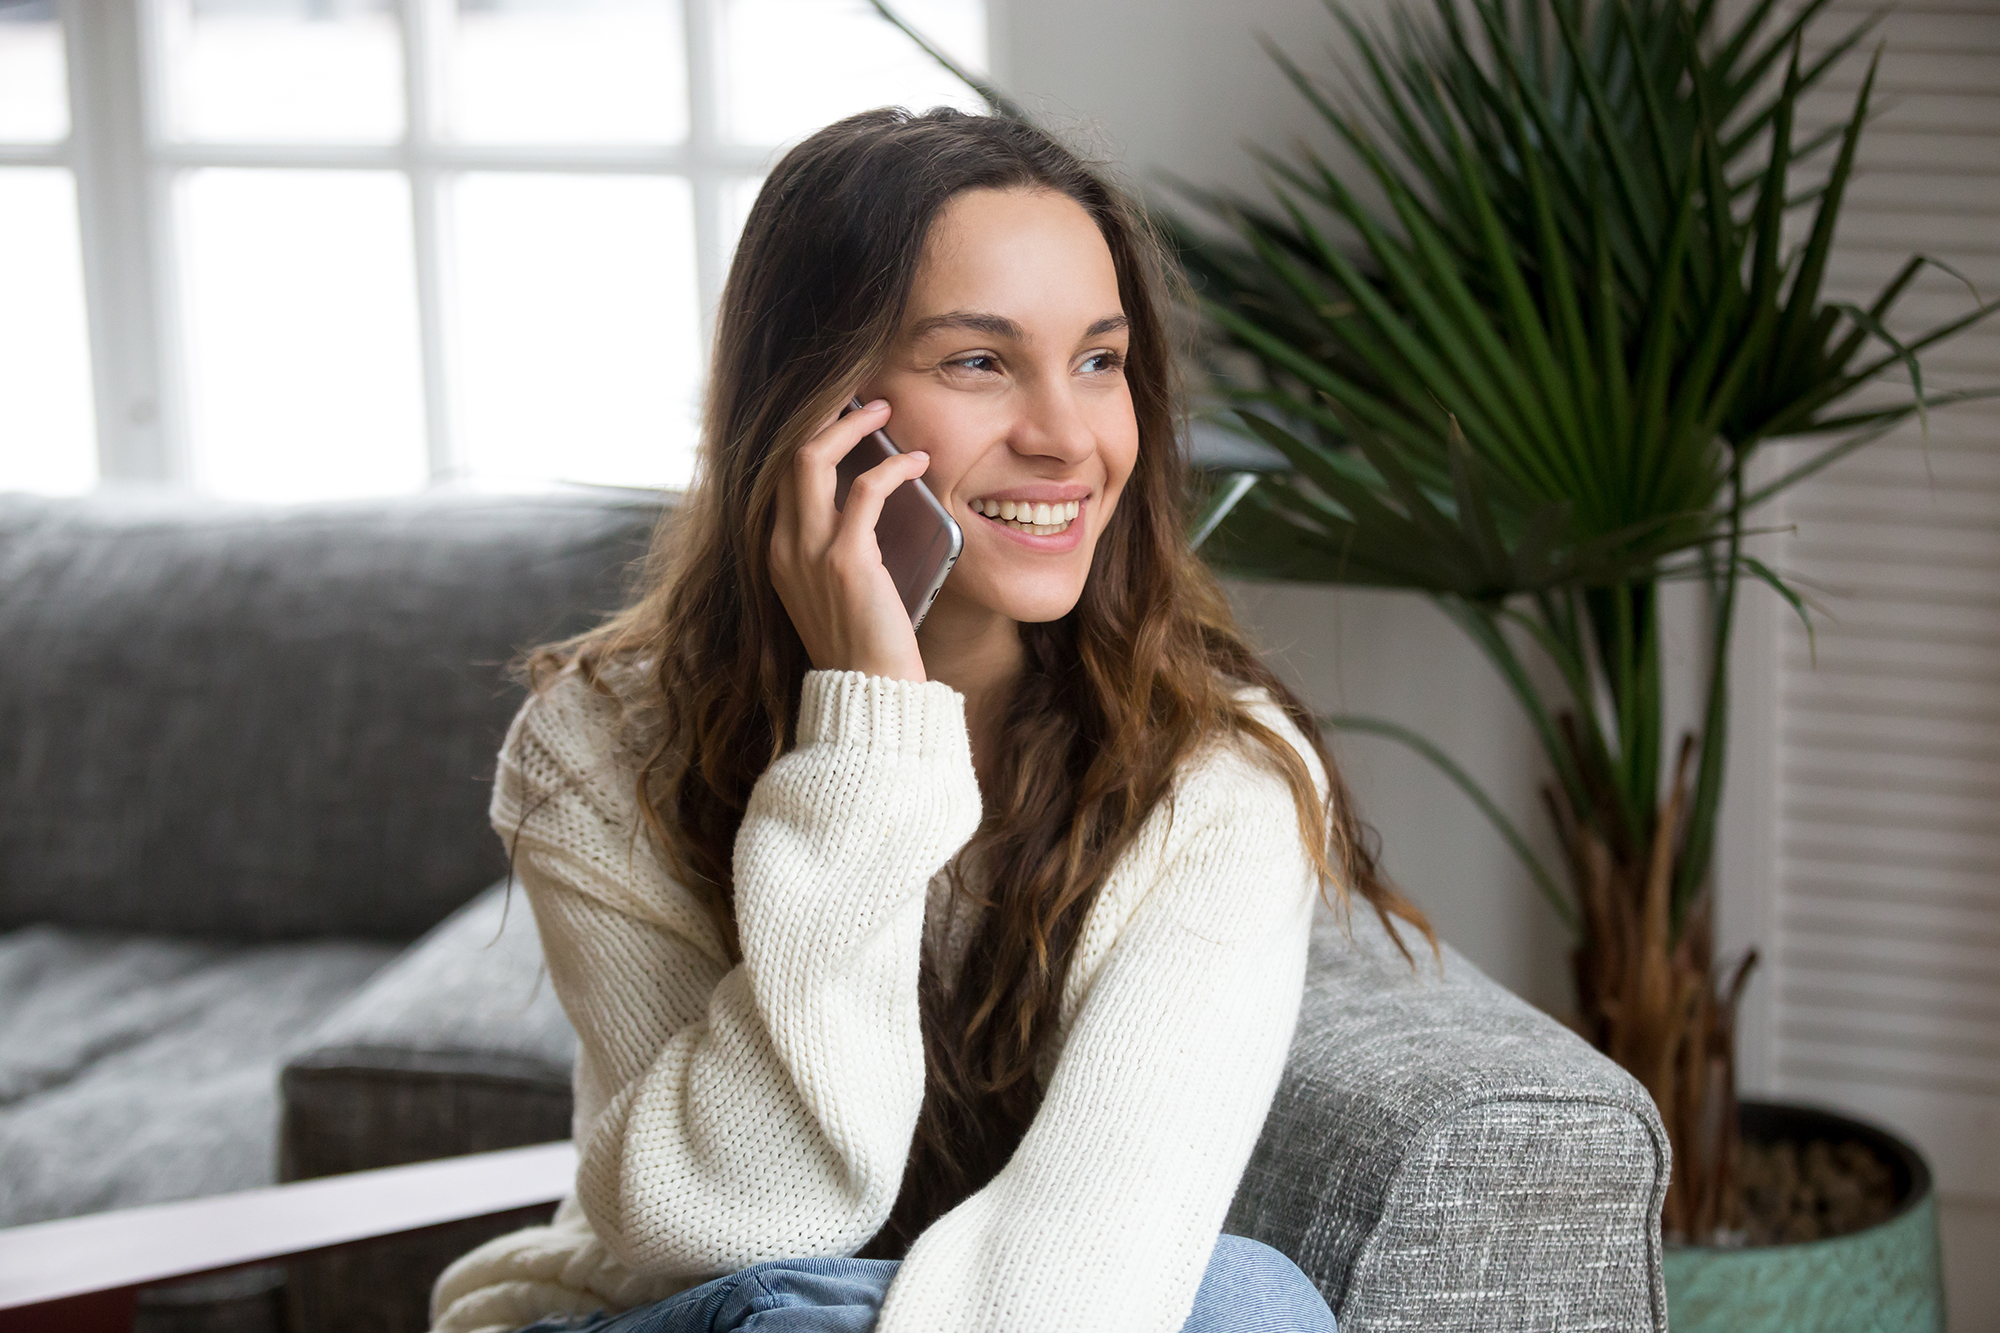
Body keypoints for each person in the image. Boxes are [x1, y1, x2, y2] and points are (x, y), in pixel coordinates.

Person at [429, 107, 1429, 1333]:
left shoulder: (1216, 779)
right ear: (817, 410)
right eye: (977, 362)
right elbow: (736, 1221)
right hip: (658, 1312)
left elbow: (1084, 1276)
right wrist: (866, 739)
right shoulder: (595, 745)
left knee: (1244, 1300)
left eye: (1099, 361)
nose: (1067, 439)